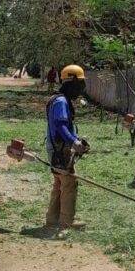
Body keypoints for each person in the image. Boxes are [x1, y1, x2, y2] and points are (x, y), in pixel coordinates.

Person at [45, 63, 89, 230]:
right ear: (72, 83)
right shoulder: (62, 101)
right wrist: (74, 142)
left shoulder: (58, 99)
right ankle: (66, 222)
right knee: (69, 182)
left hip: (56, 146)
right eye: (80, 85)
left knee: (59, 183)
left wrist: (76, 138)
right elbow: (61, 126)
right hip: (60, 148)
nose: (81, 89)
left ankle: (52, 219)